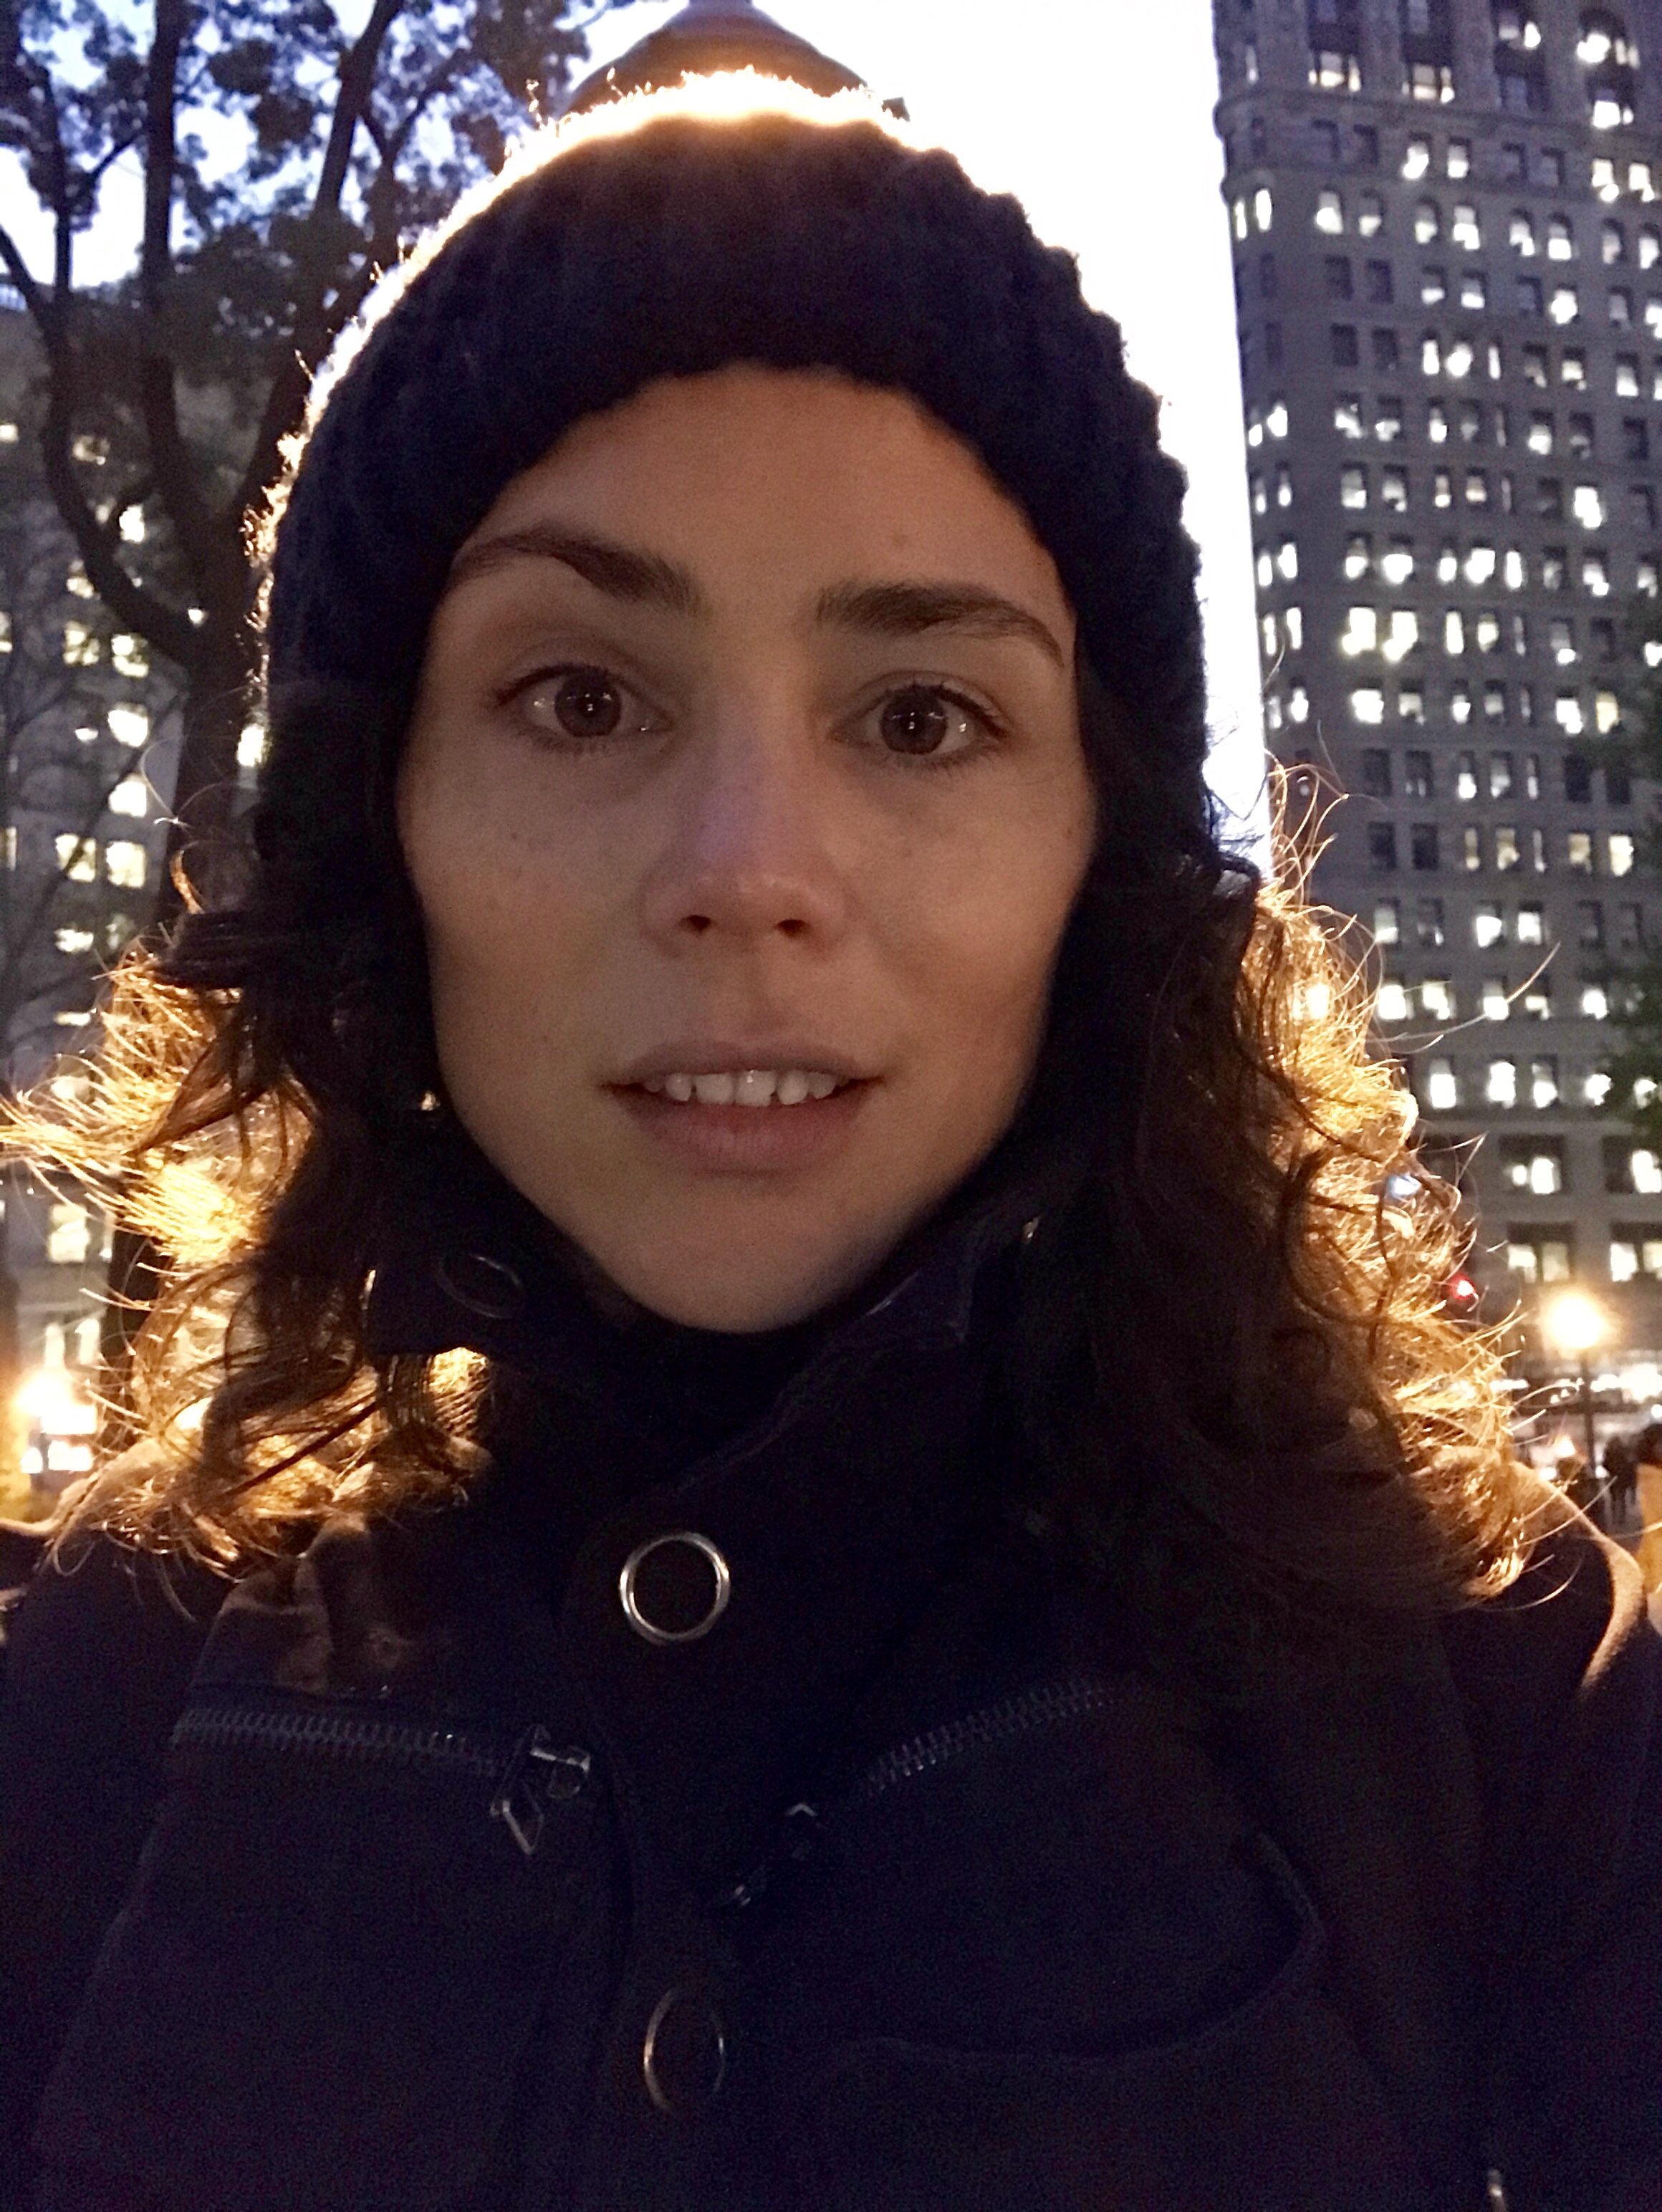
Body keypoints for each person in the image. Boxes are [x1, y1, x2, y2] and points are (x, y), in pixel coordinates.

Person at [0, 81, 1657, 2212]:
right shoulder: (99, 1694)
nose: (747, 872)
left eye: (921, 717)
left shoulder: (1499, 1683)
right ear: (376, 823)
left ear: (1106, 865)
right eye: (581, 698)